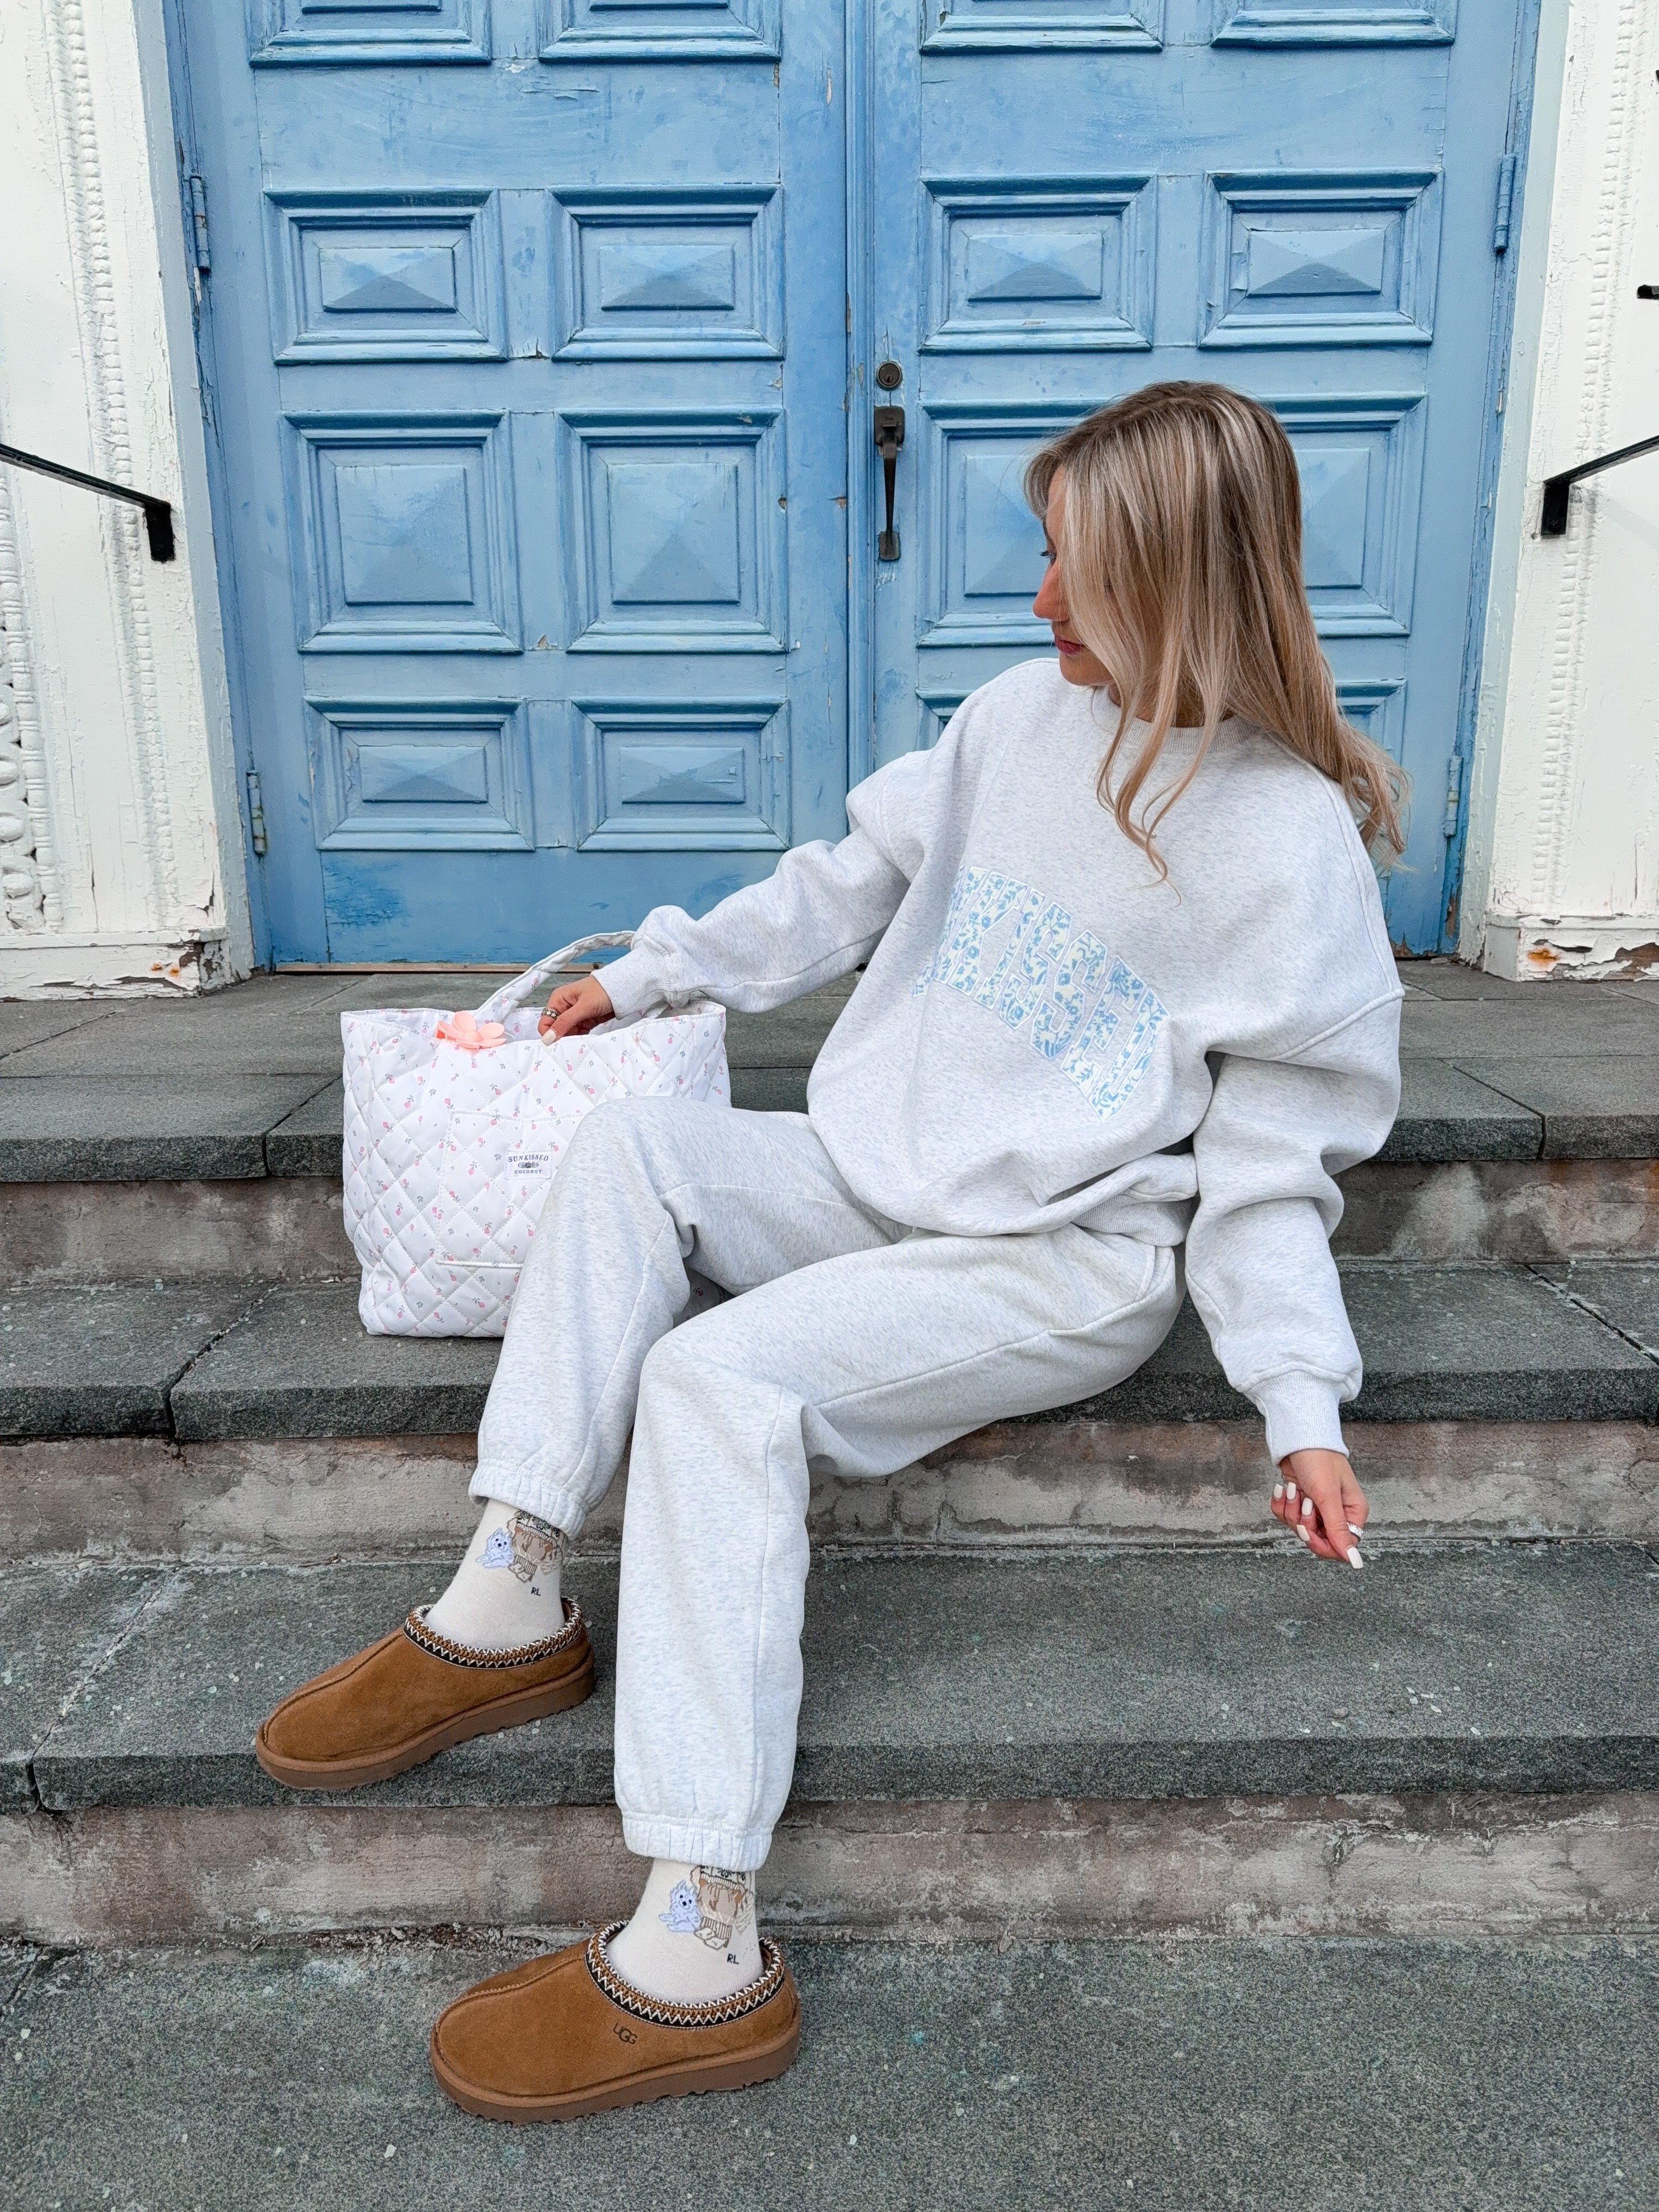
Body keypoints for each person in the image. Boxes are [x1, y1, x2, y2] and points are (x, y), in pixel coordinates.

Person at [255, 381, 1406, 2123]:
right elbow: (840, 886)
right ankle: (509, 1591)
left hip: (1067, 1255)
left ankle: (699, 1943)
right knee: (635, 1148)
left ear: (1180, 583)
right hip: (886, 1173)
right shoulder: (1014, 720)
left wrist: (1300, 1401)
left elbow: (1270, 1171)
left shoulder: (1292, 849)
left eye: (1079, 570)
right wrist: (650, 975)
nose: (1039, 598)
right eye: (1045, 556)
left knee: (715, 1383)